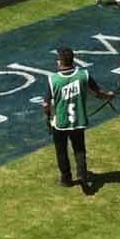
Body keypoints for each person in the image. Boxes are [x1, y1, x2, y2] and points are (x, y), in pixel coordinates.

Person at [42, 46, 114, 192]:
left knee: (61, 151)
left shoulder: (53, 79)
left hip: (60, 122)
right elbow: (98, 93)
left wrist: (48, 115)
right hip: (78, 121)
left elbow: (46, 103)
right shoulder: (83, 75)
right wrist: (109, 95)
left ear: (61, 62)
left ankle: (66, 178)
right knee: (79, 149)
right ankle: (82, 174)